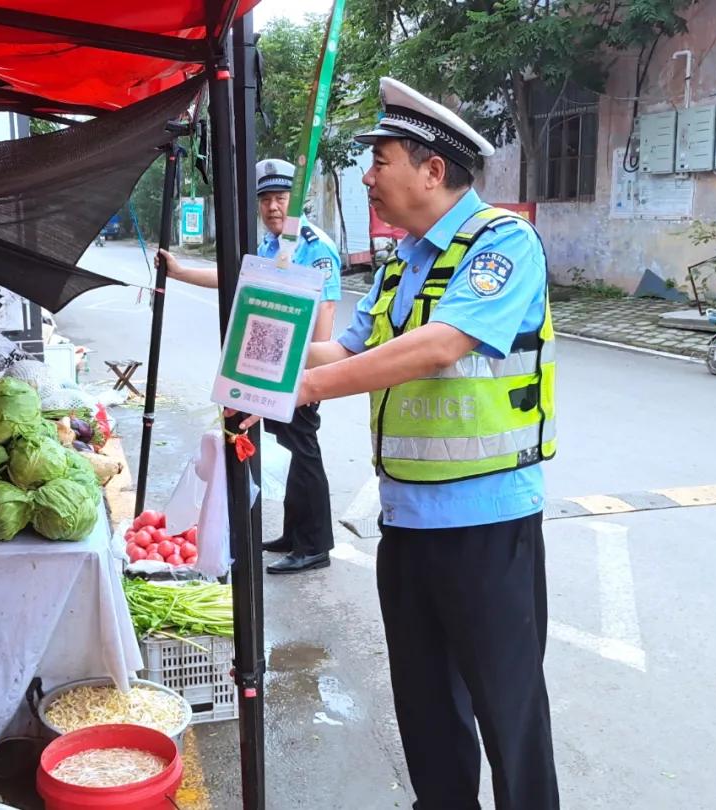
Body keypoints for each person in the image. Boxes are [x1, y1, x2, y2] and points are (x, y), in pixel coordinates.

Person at [233, 78, 559, 808]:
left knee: (510, 717)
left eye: (379, 161)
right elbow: (341, 350)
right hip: (407, 525)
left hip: (488, 524)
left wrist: (307, 391)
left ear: (431, 168)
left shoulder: (502, 244)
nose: (367, 177)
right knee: (426, 711)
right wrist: (258, 369)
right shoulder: (401, 262)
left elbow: (440, 346)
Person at [157, 159, 343, 574]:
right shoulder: (273, 247)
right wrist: (181, 271)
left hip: (299, 371)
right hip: (275, 369)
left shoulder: (314, 245)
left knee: (305, 451)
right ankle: (295, 534)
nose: (273, 207)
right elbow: (238, 278)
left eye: (280, 199)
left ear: (296, 203)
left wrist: (311, 375)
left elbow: (326, 310)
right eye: (266, 200)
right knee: (295, 449)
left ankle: (314, 545)